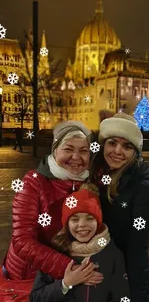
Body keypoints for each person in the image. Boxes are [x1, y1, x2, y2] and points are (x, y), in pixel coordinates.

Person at [1, 121, 103, 300]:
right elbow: (22, 240)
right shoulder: (33, 183)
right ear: (55, 150)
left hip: (66, 279)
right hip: (30, 277)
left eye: (83, 151)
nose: (76, 157)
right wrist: (69, 268)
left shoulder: (89, 186)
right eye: (68, 149)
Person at [91, 112, 149, 302]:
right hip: (94, 271)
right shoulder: (94, 174)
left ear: (135, 152)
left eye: (127, 146)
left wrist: (139, 296)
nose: (118, 151)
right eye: (112, 143)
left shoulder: (141, 186)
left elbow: (138, 246)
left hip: (120, 275)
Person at [29, 183, 130, 302]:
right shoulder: (55, 253)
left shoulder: (112, 254)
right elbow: (35, 298)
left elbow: (122, 296)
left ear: (98, 222)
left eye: (90, 218)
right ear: (66, 224)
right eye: (75, 219)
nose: (82, 224)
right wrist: (65, 284)